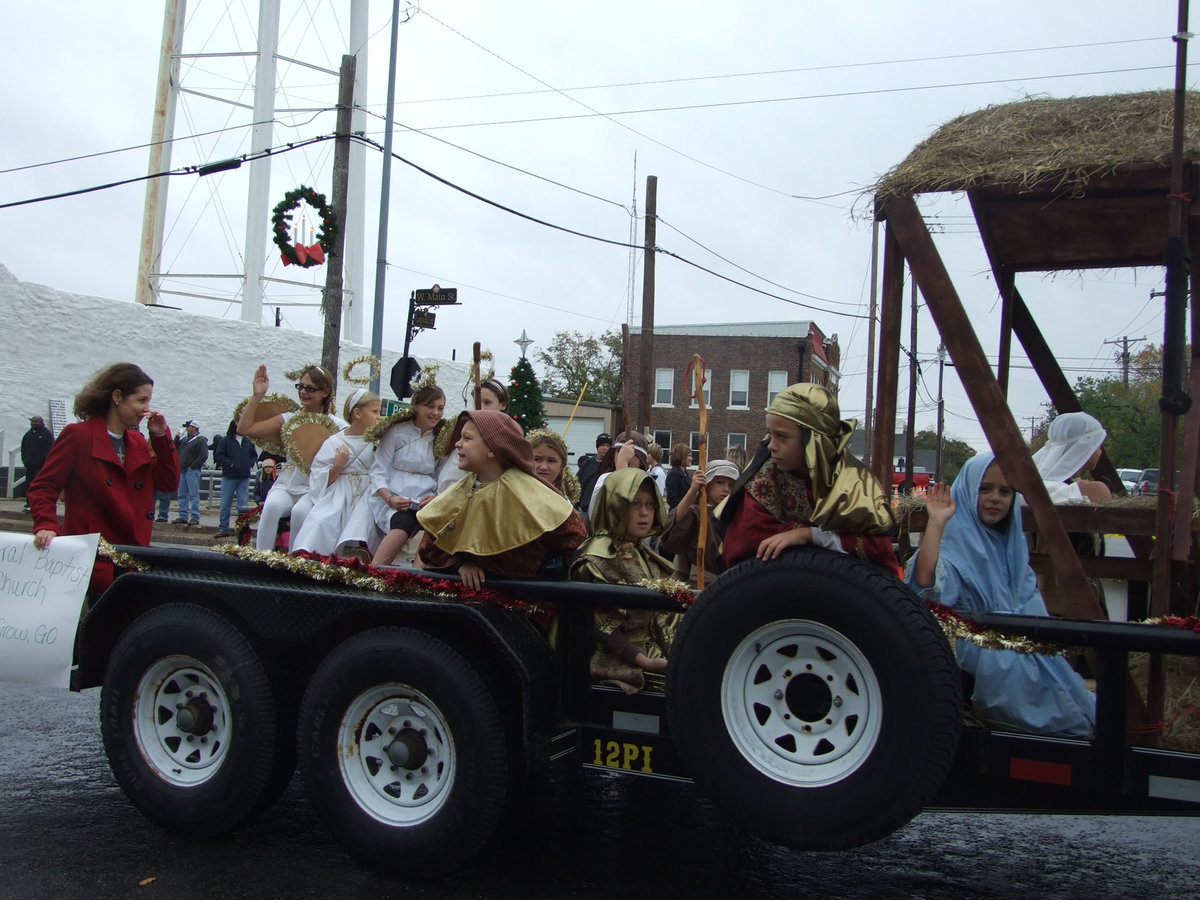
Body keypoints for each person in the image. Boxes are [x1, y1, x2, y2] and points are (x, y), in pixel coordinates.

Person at [907, 453, 1096, 737]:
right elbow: (925, 583)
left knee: (1066, 687)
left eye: (1005, 491)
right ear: (969, 490)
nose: (995, 498)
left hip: (1022, 639)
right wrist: (936, 523)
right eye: (985, 489)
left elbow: (1026, 596)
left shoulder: (1011, 546)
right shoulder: (957, 543)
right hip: (981, 644)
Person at [28, 362, 180, 596]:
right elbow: (44, 486)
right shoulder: (78, 436)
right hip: (89, 562)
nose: (146, 409)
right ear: (117, 396)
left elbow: (168, 483)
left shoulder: (138, 441)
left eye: (148, 401)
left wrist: (160, 437)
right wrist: (47, 525)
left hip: (131, 559)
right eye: (141, 400)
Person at [719, 383, 899, 574]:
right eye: (770, 434)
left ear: (814, 440)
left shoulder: (855, 484)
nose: (771, 445)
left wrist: (809, 535)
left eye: (782, 436)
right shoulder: (767, 478)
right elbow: (746, 538)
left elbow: (878, 548)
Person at [417, 410, 586, 590]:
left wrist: (547, 571)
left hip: (524, 603)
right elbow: (430, 547)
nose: (458, 444)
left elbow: (574, 534)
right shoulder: (460, 491)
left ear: (492, 448)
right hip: (470, 602)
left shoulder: (529, 492)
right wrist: (460, 564)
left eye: (467, 438)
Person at [571, 468, 678, 694]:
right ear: (614, 506)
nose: (645, 513)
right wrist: (646, 662)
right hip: (614, 658)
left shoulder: (641, 552)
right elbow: (603, 627)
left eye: (650, 504)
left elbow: (661, 618)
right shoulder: (597, 557)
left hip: (652, 649)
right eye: (635, 504)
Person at [236, 364, 345, 551]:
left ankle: (295, 563)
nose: (303, 392)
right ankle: (261, 562)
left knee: (300, 513)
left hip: (314, 486)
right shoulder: (288, 419)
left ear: (325, 392)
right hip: (288, 482)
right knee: (271, 507)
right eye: (300, 386)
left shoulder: (337, 426)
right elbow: (244, 429)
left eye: (310, 388)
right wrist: (257, 396)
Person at [368, 384, 450, 566]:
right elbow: (378, 470)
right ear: (416, 406)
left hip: (424, 498)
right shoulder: (396, 431)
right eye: (430, 407)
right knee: (404, 522)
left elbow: (442, 475)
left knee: (437, 524)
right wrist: (390, 498)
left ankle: (418, 575)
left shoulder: (441, 437)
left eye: (440, 408)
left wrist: (436, 497)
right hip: (392, 495)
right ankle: (375, 571)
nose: (436, 413)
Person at [294, 389, 382, 557]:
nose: (379, 416)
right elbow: (318, 477)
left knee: (363, 522)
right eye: (374, 412)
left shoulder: (378, 441)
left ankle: (359, 554)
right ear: (357, 413)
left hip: (368, 493)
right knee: (322, 521)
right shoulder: (335, 441)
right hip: (338, 494)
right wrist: (337, 466)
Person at [659, 458, 736, 587]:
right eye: (720, 482)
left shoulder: (735, 516)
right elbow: (672, 532)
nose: (726, 489)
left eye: (730, 485)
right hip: (700, 584)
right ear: (708, 483)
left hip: (729, 585)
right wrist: (692, 490)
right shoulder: (696, 513)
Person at [1031, 412, 1112, 504]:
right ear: (1084, 448)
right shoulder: (1094, 491)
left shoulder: (1028, 486)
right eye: (1097, 444)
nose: (1100, 451)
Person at [587, 430, 650, 523]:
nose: (623, 456)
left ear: (641, 460)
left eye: (630, 452)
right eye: (619, 452)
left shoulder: (647, 485)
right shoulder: (605, 479)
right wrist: (622, 467)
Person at [213, 419, 259, 539]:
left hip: (244, 477)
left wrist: (249, 463)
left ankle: (242, 529)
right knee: (225, 504)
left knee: (242, 505)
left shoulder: (248, 441)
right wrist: (230, 464)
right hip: (229, 476)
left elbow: (254, 455)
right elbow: (219, 455)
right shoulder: (225, 441)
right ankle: (223, 528)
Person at [527, 428, 581, 504]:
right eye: (536, 459)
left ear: (561, 466)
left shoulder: (564, 505)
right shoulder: (512, 494)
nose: (543, 467)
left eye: (551, 461)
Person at [173, 419, 207, 526]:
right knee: (182, 494)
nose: (187, 428)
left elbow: (203, 455)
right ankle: (183, 515)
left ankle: (195, 516)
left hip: (191, 470)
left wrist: (193, 466)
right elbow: (174, 448)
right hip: (182, 469)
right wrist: (177, 438)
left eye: (189, 427)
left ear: (194, 428)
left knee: (193, 494)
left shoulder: (200, 440)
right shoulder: (184, 440)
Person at [20, 415, 54, 512]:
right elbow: (23, 448)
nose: (34, 423)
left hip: (41, 466)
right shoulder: (28, 434)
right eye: (32, 421)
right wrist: (25, 460)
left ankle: (38, 504)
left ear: (41, 422)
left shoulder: (46, 434)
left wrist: (40, 462)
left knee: (39, 485)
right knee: (29, 484)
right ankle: (29, 503)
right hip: (29, 466)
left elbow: (49, 450)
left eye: (36, 422)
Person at [577, 432, 613, 511]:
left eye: (608, 446)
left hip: (602, 509)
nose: (605, 448)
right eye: (602, 445)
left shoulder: (613, 465)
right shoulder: (587, 463)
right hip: (585, 508)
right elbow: (577, 483)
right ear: (597, 447)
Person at [664, 442, 693, 511]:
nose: (691, 458)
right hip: (678, 515)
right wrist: (686, 508)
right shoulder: (673, 474)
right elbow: (672, 500)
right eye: (689, 456)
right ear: (681, 456)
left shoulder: (686, 474)